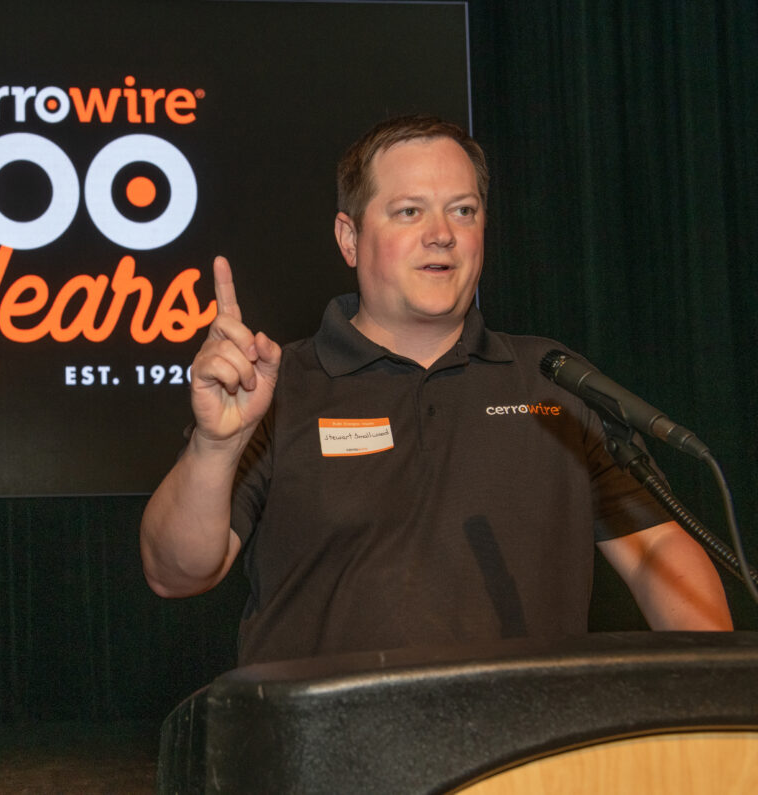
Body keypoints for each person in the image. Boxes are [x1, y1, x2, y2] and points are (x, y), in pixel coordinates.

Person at [140, 115, 732, 666]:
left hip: (528, 760)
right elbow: (176, 574)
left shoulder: (554, 380)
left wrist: (715, 716)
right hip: (325, 758)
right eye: (408, 212)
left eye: (463, 211)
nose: (442, 235)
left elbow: (660, 554)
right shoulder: (280, 386)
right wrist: (215, 448)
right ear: (349, 238)